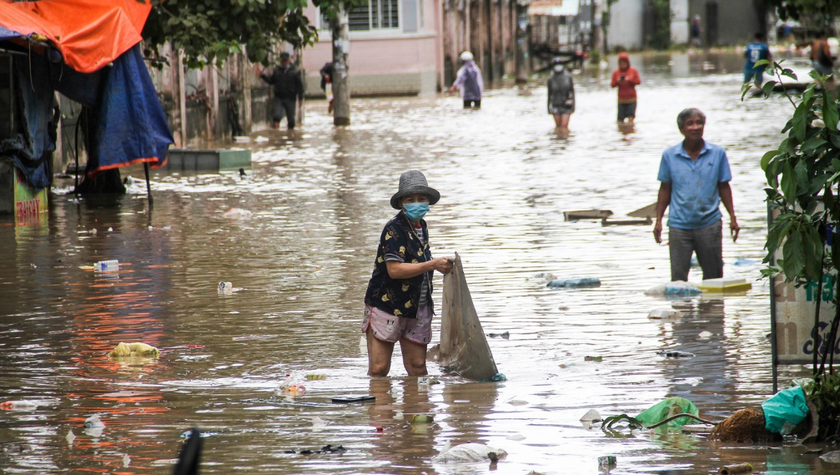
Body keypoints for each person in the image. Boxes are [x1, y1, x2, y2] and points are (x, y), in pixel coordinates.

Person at [363, 170, 453, 377]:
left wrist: (438, 264)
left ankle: (417, 406)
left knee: (418, 368)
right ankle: (381, 407)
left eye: (421, 199)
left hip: (417, 306)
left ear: (428, 201)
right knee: (379, 369)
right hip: (387, 306)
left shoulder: (421, 227)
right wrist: (432, 264)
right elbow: (394, 270)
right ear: (402, 203)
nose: (417, 203)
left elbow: (417, 261)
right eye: (410, 199)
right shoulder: (394, 228)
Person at [653, 108, 739, 282]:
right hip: (679, 226)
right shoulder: (670, 156)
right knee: (678, 280)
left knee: (714, 278)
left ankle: (712, 309)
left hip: (709, 223)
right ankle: (682, 310)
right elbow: (665, 189)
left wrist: (733, 217)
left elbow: (723, 186)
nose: (695, 127)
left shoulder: (717, 153)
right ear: (682, 129)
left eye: (699, 123)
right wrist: (659, 220)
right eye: (690, 123)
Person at [257, 52, 304, 129]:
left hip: (290, 98)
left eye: (285, 60)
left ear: (289, 61)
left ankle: (290, 135)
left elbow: (299, 86)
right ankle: (276, 132)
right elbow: (271, 81)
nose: (284, 62)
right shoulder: (277, 70)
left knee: (291, 121)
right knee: (277, 116)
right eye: (282, 60)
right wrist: (262, 76)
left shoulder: (295, 71)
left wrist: (300, 98)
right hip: (279, 97)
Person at [610, 52, 641, 123]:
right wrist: (618, 81)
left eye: (624, 62)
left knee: (631, 119)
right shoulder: (616, 73)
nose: (623, 64)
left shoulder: (633, 71)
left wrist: (629, 79)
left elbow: (638, 82)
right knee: (620, 121)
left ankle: (630, 132)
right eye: (621, 62)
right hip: (621, 101)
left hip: (631, 100)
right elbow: (612, 85)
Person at [547, 57, 575, 130]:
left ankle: (564, 139)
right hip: (555, 105)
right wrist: (548, 108)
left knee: (564, 127)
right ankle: (558, 139)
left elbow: (572, 92)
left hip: (566, 105)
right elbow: (549, 95)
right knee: (558, 127)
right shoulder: (551, 79)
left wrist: (573, 106)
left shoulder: (568, 77)